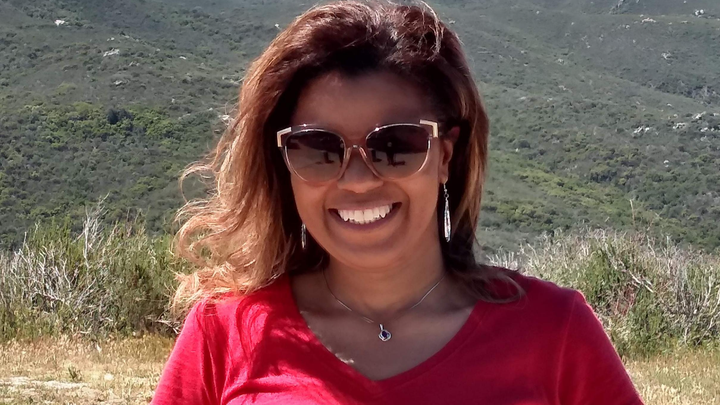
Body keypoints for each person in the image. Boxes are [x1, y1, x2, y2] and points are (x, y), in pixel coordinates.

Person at [151, 1, 645, 404]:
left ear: (445, 155)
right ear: (285, 166)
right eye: (319, 149)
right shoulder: (226, 333)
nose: (358, 181)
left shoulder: (554, 332)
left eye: (396, 145)